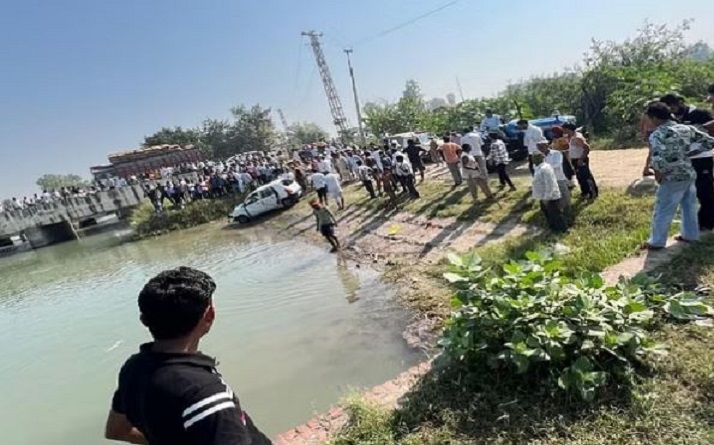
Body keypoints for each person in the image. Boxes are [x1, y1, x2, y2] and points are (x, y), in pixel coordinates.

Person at [105, 267, 271, 445]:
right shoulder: (205, 393)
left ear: (143, 319)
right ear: (209, 315)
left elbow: (117, 430)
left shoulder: (134, 369)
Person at [641, 102, 714, 250]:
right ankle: (690, 235)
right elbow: (709, 142)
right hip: (688, 172)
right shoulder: (686, 128)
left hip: (671, 176)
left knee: (663, 209)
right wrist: (689, 154)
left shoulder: (658, 134)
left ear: (654, 118)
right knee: (689, 206)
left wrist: (658, 174)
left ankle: (657, 241)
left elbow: (658, 158)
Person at [683, 108, 714, 231]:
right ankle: (705, 222)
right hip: (701, 160)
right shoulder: (698, 130)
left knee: (704, 193)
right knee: (703, 192)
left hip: (700, 160)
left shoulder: (696, 130)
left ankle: (706, 222)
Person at [531, 152, 568, 233]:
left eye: (536, 158)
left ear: (542, 158)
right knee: (548, 213)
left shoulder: (545, 168)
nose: (534, 160)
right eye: (533, 158)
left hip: (550, 196)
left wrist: (547, 198)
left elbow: (550, 184)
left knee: (555, 214)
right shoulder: (538, 167)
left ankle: (563, 230)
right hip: (543, 195)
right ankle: (553, 229)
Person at [562, 123, 598, 200]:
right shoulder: (570, 137)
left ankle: (592, 193)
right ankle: (585, 193)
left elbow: (587, 148)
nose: (563, 131)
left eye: (564, 130)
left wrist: (581, 159)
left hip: (580, 159)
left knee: (586, 176)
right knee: (580, 177)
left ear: (568, 129)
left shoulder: (577, 138)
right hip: (575, 160)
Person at [537, 138, 571, 216]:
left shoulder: (556, 153)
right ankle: (552, 214)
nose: (540, 149)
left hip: (558, 178)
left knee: (564, 197)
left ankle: (567, 213)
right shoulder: (538, 157)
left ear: (547, 146)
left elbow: (557, 164)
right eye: (539, 147)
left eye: (542, 147)